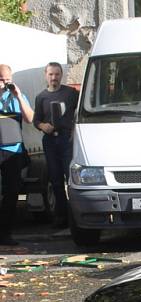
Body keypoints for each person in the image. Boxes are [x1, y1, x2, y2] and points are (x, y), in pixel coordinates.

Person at [33, 62, 79, 229]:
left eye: (57, 74)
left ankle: (76, 216)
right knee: (56, 180)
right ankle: (61, 216)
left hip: (67, 141)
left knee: (71, 179)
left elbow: (81, 111)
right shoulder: (41, 97)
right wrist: (42, 126)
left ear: (61, 75)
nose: (54, 77)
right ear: (46, 75)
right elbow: (35, 119)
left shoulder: (71, 93)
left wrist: (75, 130)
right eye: (51, 74)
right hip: (50, 142)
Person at [0, 64, 34, 246]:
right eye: (1, 80)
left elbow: (30, 119)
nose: (5, 83)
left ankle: (5, 233)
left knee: (12, 192)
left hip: (13, 151)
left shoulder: (16, 96)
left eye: (8, 80)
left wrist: (18, 96)